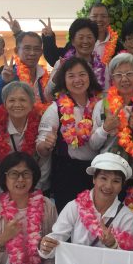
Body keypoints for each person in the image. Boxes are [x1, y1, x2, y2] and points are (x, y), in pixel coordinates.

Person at [37, 56, 102, 213]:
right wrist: (46, 144)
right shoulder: (56, 108)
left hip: (98, 172)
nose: (77, 80)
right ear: (64, 80)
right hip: (67, 174)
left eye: (82, 74)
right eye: (71, 76)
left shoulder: (100, 105)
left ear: (90, 77)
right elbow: (40, 147)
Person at [39, 152, 133, 255]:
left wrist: (113, 244)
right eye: (103, 178)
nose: (108, 186)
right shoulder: (74, 207)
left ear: (122, 185)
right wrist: (46, 246)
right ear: (94, 179)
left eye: (116, 181)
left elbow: (126, 259)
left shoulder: (127, 217)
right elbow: (55, 239)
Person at [0, 82, 49, 200]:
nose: (17, 104)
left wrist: (33, 193)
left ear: (32, 103)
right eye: (11, 100)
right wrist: (3, 195)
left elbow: (45, 164)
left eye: (23, 100)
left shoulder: (41, 128)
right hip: (2, 194)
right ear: (5, 104)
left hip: (35, 193)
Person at [90, 53, 133, 161]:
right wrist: (105, 129)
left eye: (129, 74)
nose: (124, 79)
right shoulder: (102, 106)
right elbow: (93, 145)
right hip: (109, 172)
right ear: (112, 79)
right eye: (118, 75)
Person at [0, 32, 50, 113]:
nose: (32, 53)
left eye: (36, 49)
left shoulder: (46, 76)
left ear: (41, 52)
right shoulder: (7, 75)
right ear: (16, 50)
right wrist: (4, 82)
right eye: (27, 48)